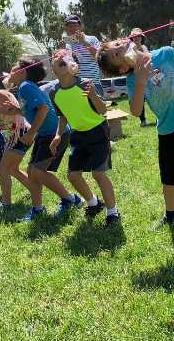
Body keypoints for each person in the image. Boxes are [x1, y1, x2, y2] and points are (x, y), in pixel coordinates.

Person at [97, 39, 174, 243]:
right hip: (165, 129)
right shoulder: (133, 80)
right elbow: (135, 111)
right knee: (168, 178)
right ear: (122, 68)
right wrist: (141, 81)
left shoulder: (166, 53)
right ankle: (171, 215)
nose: (121, 47)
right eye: (116, 53)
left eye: (118, 44)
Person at [3, 59, 83, 221]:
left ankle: (70, 200)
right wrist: (14, 110)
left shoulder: (26, 86)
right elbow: (29, 110)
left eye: (13, 68)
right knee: (32, 172)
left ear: (22, 72)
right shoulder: (24, 87)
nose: (9, 72)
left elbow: (44, 109)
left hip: (54, 134)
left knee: (38, 171)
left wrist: (31, 133)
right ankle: (37, 209)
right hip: (45, 134)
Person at [48, 50, 120, 226]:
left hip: (98, 131)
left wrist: (93, 95)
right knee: (73, 175)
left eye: (64, 57)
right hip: (78, 135)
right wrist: (58, 135)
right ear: (53, 70)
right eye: (56, 58)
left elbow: (102, 110)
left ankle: (113, 212)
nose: (60, 58)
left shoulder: (85, 84)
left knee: (98, 173)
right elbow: (63, 115)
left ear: (73, 65)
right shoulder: (54, 92)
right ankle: (94, 203)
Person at [62, 14, 105, 98]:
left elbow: (99, 56)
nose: (72, 28)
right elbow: (65, 66)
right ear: (66, 29)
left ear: (81, 26)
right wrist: (62, 50)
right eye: (69, 26)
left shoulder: (92, 39)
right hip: (76, 85)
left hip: (94, 83)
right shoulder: (67, 44)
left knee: (98, 106)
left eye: (74, 25)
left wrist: (84, 42)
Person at [130, 28, 153, 127]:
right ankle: (143, 121)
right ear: (131, 38)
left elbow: (148, 58)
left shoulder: (144, 47)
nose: (136, 38)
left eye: (138, 36)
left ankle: (159, 116)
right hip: (134, 77)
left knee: (152, 97)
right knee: (140, 99)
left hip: (147, 75)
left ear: (141, 37)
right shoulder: (130, 48)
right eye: (134, 36)